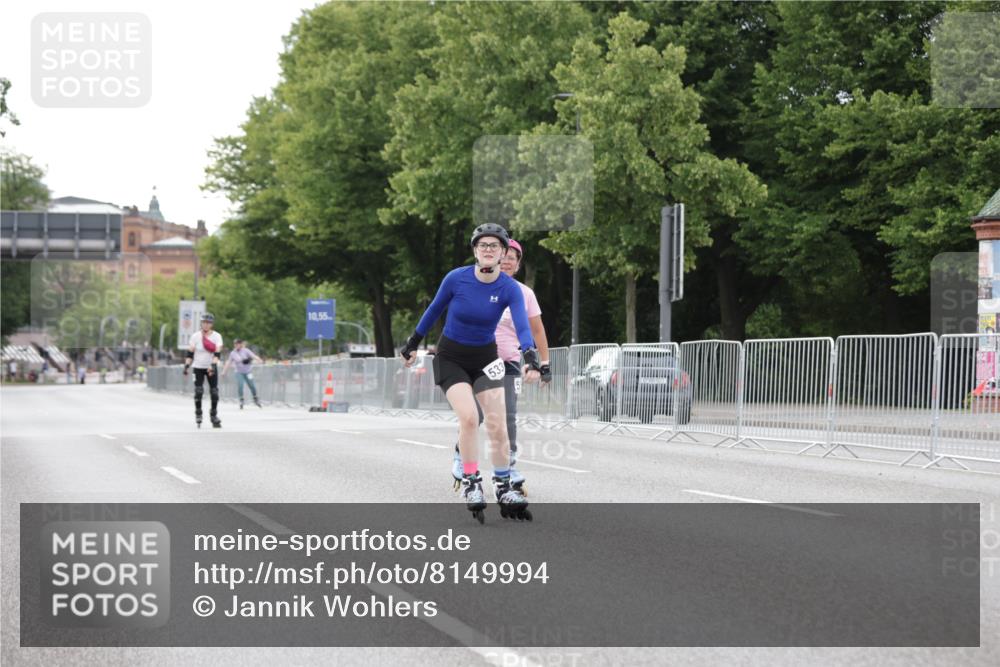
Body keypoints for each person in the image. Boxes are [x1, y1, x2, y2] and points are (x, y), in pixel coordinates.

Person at [401, 223, 541, 522]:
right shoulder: (456, 278)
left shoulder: (509, 289)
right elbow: (434, 310)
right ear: (475, 251)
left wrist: (530, 354)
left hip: (486, 358)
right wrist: (412, 342)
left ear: (503, 253)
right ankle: (470, 479)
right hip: (451, 357)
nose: (488, 250)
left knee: (497, 422)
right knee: (469, 417)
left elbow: (523, 325)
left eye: (494, 246)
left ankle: (503, 485)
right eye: (483, 245)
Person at [450, 239, 552, 493]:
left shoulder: (523, 293)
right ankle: (461, 458)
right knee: (477, 415)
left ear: (517, 265)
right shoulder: (476, 287)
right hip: (478, 360)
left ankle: (509, 466)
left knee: (507, 417)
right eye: (504, 256)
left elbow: (536, 330)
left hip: (508, 362)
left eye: (512, 259)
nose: (506, 262)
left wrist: (543, 363)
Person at [184, 312, 223, 428]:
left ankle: (213, 415)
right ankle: (198, 413)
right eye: (204, 322)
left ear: (211, 324)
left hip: (211, 366)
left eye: (208, 323)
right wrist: (186, 366)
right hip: (198, 367)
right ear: (201, 323)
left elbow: (217, 353)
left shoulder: (217, 336)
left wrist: (213, 365)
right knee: (199, 391)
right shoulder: (195, 336)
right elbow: (190, 354)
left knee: (214, 392)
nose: (206, 325)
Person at [222, 339, 263, 409]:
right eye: (235, 344)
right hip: (239, 372)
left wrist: (259, 359)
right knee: (240, 385)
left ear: (241, 344)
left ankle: (255, 398)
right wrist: (224, 372)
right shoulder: (233, 353)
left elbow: (253, 356)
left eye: (238, 344)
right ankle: (241, 400)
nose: (236, 345)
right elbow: (228, 363)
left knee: (252, 385)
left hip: (248, 372)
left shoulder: (246, 350)